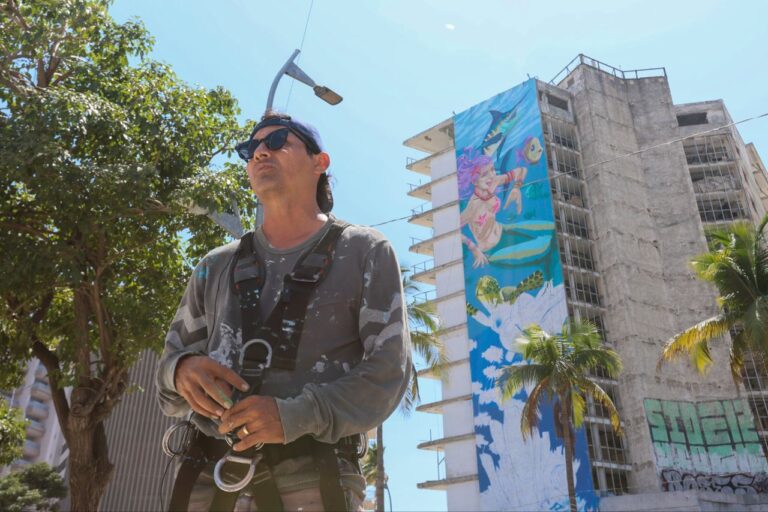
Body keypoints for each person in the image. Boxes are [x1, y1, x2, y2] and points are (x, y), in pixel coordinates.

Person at [156, 112, 412, 511]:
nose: (260, 152)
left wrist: (294, 415)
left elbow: (388, 373)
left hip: (314, 483)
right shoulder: (214, 265)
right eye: (250, 148)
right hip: (207, 484)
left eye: (277, 141)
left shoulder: (365, 251)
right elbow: (167, 381)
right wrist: (181, 371)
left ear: (319, 162)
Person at [457, 150, 528, 268]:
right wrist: (473, 248)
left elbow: (521, 170)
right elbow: (454, 230)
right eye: (484, 174)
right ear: (474, 180)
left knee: (547, 230)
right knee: (541, 248)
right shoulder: (473, 206)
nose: (491, 176)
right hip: (492, 249)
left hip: (503, 230)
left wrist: (516, 187)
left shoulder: (494, 182)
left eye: (492, 169)